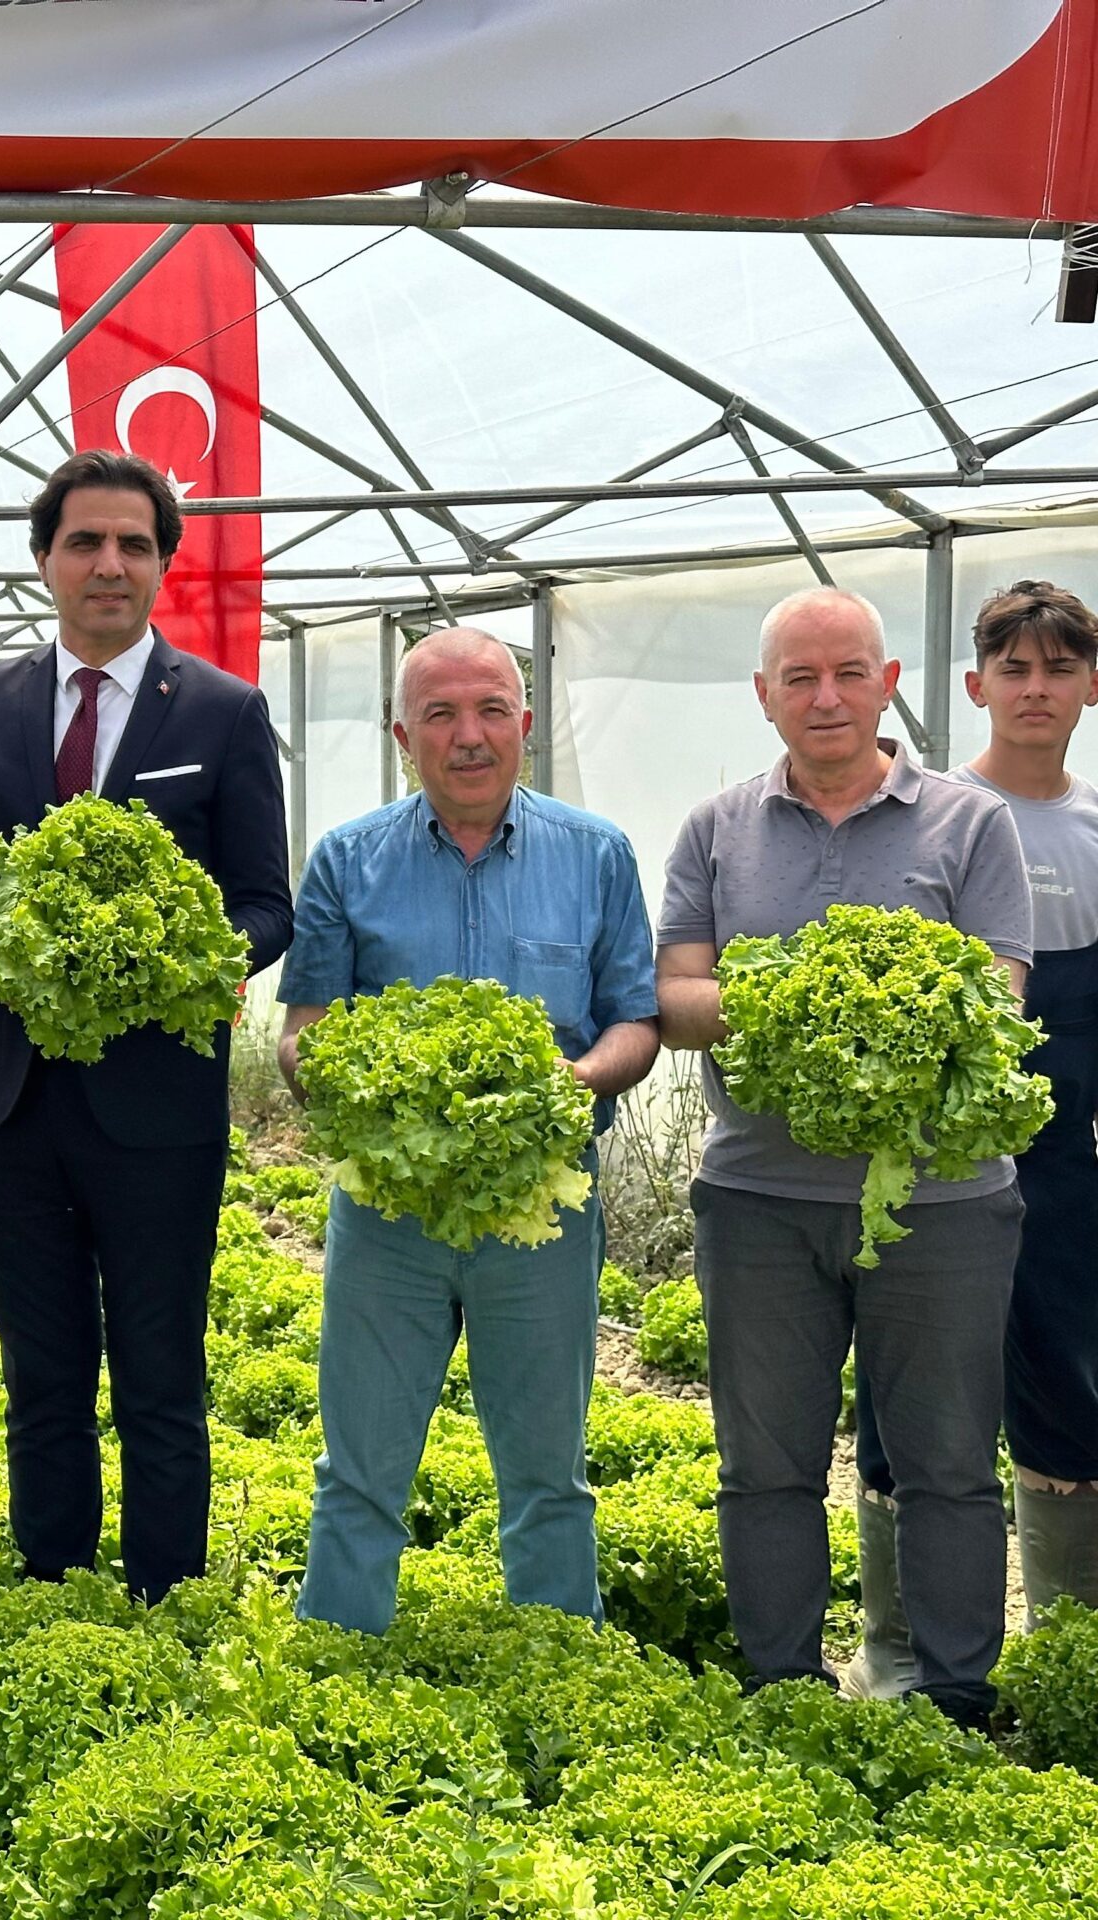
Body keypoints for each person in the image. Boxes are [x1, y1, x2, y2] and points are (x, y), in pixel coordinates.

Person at [656, 585, 1031, 1729]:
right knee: (763, 1462)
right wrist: (801, 1010)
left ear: (889, 685)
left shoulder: (969, 824)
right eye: (799, 678)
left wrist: (847, 1013)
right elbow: (675, 997)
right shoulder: (714, 827)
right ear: (763, 694)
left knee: (950, 1465)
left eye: (847, 673)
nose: (825, 697)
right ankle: (780, 1691)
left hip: (944, 1205)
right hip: (758, 1198)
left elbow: (998, 999)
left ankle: (956, 1696)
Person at [0, 451, 293, 1603]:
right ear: (44, 560)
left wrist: (167, 963)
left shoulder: (225, 712)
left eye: (133, 544)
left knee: (158, 1371)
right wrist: (2, 964)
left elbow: (262, 903)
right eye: (84, 542)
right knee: (40, 1369)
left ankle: (165, 1598)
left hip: (156, 1103)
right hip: (11, 1098)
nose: (108, 564)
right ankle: (53, 1590)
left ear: (162, 566)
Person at [278, 628, 660, 1634]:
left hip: (539, 1211)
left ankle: (556, 1666)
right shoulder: (347, 861)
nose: (469, 735)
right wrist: (362, 1087)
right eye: (440, 715)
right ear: (402, 734)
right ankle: (335, 1666)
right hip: (385, 1214)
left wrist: (568, 1084)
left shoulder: (597, 854)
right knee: (358, 1468)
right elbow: (304, 1033)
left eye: (491, 709)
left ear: (525, 725)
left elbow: (635, 1020)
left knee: (549, 1473)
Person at [841, 580, 1098, 1692]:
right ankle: (897, 1653)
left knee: (1070, 1392)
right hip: (928, 1173)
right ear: (973, 684)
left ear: (1091, 685)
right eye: (1014, 668)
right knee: (908, 1402)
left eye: (1058, 668)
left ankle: (1065, 1656)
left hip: (1063, 1172)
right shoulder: (932, 818)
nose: (1034, 689)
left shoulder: (1093, 832)